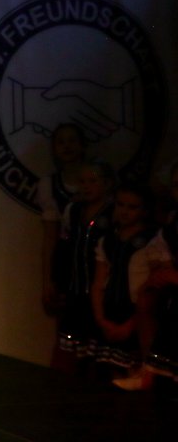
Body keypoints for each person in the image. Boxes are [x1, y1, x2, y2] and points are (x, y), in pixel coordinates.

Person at [91, 182, 171, 379]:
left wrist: (130, 325)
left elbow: (155, 288)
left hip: (137, 316)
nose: (124, 211)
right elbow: (98, 284)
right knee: (105, 374)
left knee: (133, 373)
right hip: (110, 313)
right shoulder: (107, 240)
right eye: (120, 204)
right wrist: (101, 320)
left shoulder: (153, 241)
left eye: (132, 207)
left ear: (144, 210)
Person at [51, 159, 116, 370]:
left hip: (103, 293)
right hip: (74, 289)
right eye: (82, 181)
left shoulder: (114, 212)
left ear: (107, 183)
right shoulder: (73, 210)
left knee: (98, 350)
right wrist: (57, 281)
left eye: (93, 181)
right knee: (72, 345)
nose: (87, 186)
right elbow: (63, 247)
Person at [39, 123, 89, 315]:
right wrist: (47, 280)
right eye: (61, 142)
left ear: (82, 145)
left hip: (96, 255)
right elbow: (50, 237)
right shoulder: (49, 184)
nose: (67, 146)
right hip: (67, 259)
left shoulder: (98, 180)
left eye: (72, 140)